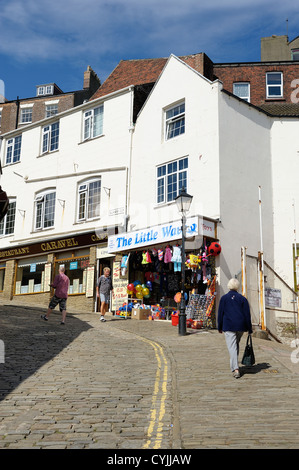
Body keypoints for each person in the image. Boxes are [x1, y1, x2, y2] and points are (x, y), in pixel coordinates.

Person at [218, 278, 253, 378]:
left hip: (228, 326)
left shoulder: (224, 298)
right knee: (235, 345)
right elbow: (247, 315)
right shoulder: (242, 299)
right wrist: (249, 328)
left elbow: (220, 314)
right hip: (240, 326)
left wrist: (219, 326)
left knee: (232, 347)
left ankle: (236, 369)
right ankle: (234, 365)